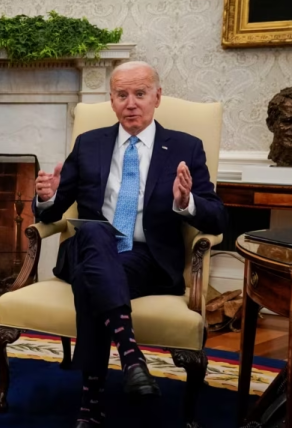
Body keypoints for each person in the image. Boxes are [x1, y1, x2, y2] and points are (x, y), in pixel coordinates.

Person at [34, 61, 227, 427]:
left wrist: (186, 202)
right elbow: (51, 212)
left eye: (140, 93)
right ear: (111, 100)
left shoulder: (185, 147)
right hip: (89, 246)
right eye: (122, 95)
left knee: (93, 278)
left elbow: (218, 218)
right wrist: (48, 197)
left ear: (157, 97)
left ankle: (91, 402)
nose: (131, 103)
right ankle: (131, 357)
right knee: (95, 232)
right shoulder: (89, 144)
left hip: (147, 258)